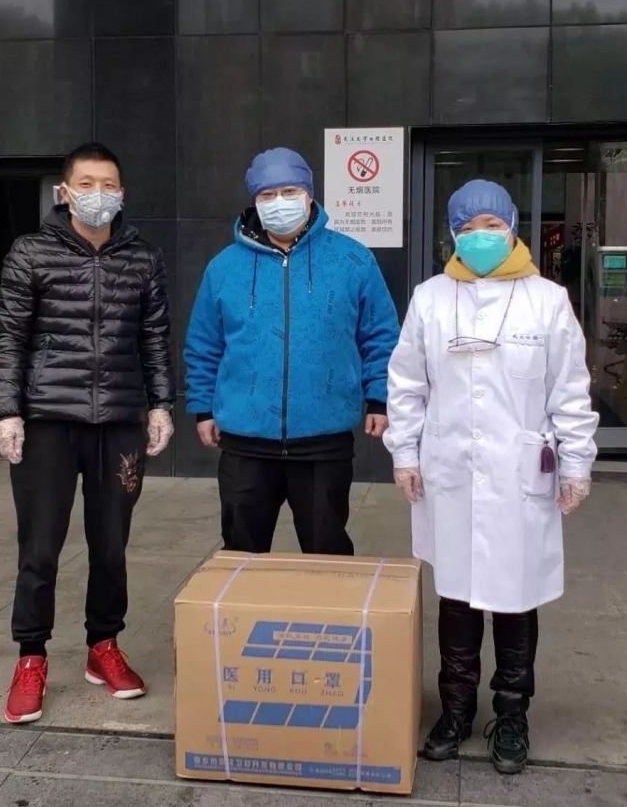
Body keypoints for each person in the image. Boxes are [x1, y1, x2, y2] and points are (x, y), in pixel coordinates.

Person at [385, 179, 598, 775]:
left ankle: (511, 715)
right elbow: (407, 384)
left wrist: (576, 464)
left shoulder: (547, 300)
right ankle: (455, 710)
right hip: (449, 471)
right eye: (467, 228)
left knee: (515, 599)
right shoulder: (431, 298)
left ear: (511, 229)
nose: (480, 237)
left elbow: (570, 391)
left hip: (517, 476)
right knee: (454, 595)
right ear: (452, 235)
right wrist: (405, 453)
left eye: (491, 226)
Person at [0, 142, 176, 725]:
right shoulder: (31, 252)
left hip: (119, 420)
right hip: (47, 419)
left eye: (109, 184)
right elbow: (10, 337)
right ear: (65, 192)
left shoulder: (142, 257)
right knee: (40, 546)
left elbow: (154, 337)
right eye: (87, 184)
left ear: (122, 193)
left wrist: (161, 405)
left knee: (111, 543)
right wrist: (7, 411)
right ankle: (31, 657)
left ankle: (103, 646)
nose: (99, 194)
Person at [185, 147, 399, 555]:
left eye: (289, 191)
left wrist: (379, 398)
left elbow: (380, 335)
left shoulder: (352, 259)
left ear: (309, 195)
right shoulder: (224, 267)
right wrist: (203, 407)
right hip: (245, 438)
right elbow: (204, 344)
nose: (279, 202)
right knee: (241, 554)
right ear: (254, 202)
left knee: (326, 552)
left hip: (324, 437)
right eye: (267, 195)